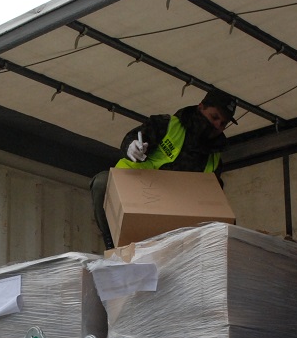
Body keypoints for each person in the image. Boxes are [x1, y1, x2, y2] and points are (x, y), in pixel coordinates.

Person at [90, 89, 238, 249]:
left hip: (175, 220)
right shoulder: (167, 125)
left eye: (223, 124)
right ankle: (112, 246)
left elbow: (215, 204)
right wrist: (132, 146)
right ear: (201, 107)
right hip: (138, 196)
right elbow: (135, 136)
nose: (217, 125)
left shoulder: (214, 159)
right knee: (102, 182)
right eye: (214, 117)